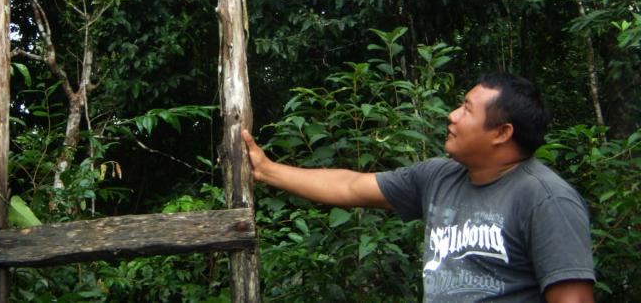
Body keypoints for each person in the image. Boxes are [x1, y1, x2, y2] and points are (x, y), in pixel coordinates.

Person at [242, 72, 595, 303]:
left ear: (502, 133)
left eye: (467, 110)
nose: (452, 116)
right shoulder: (438, 177)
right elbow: (350, 186)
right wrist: (268, 170)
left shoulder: (546, 199)